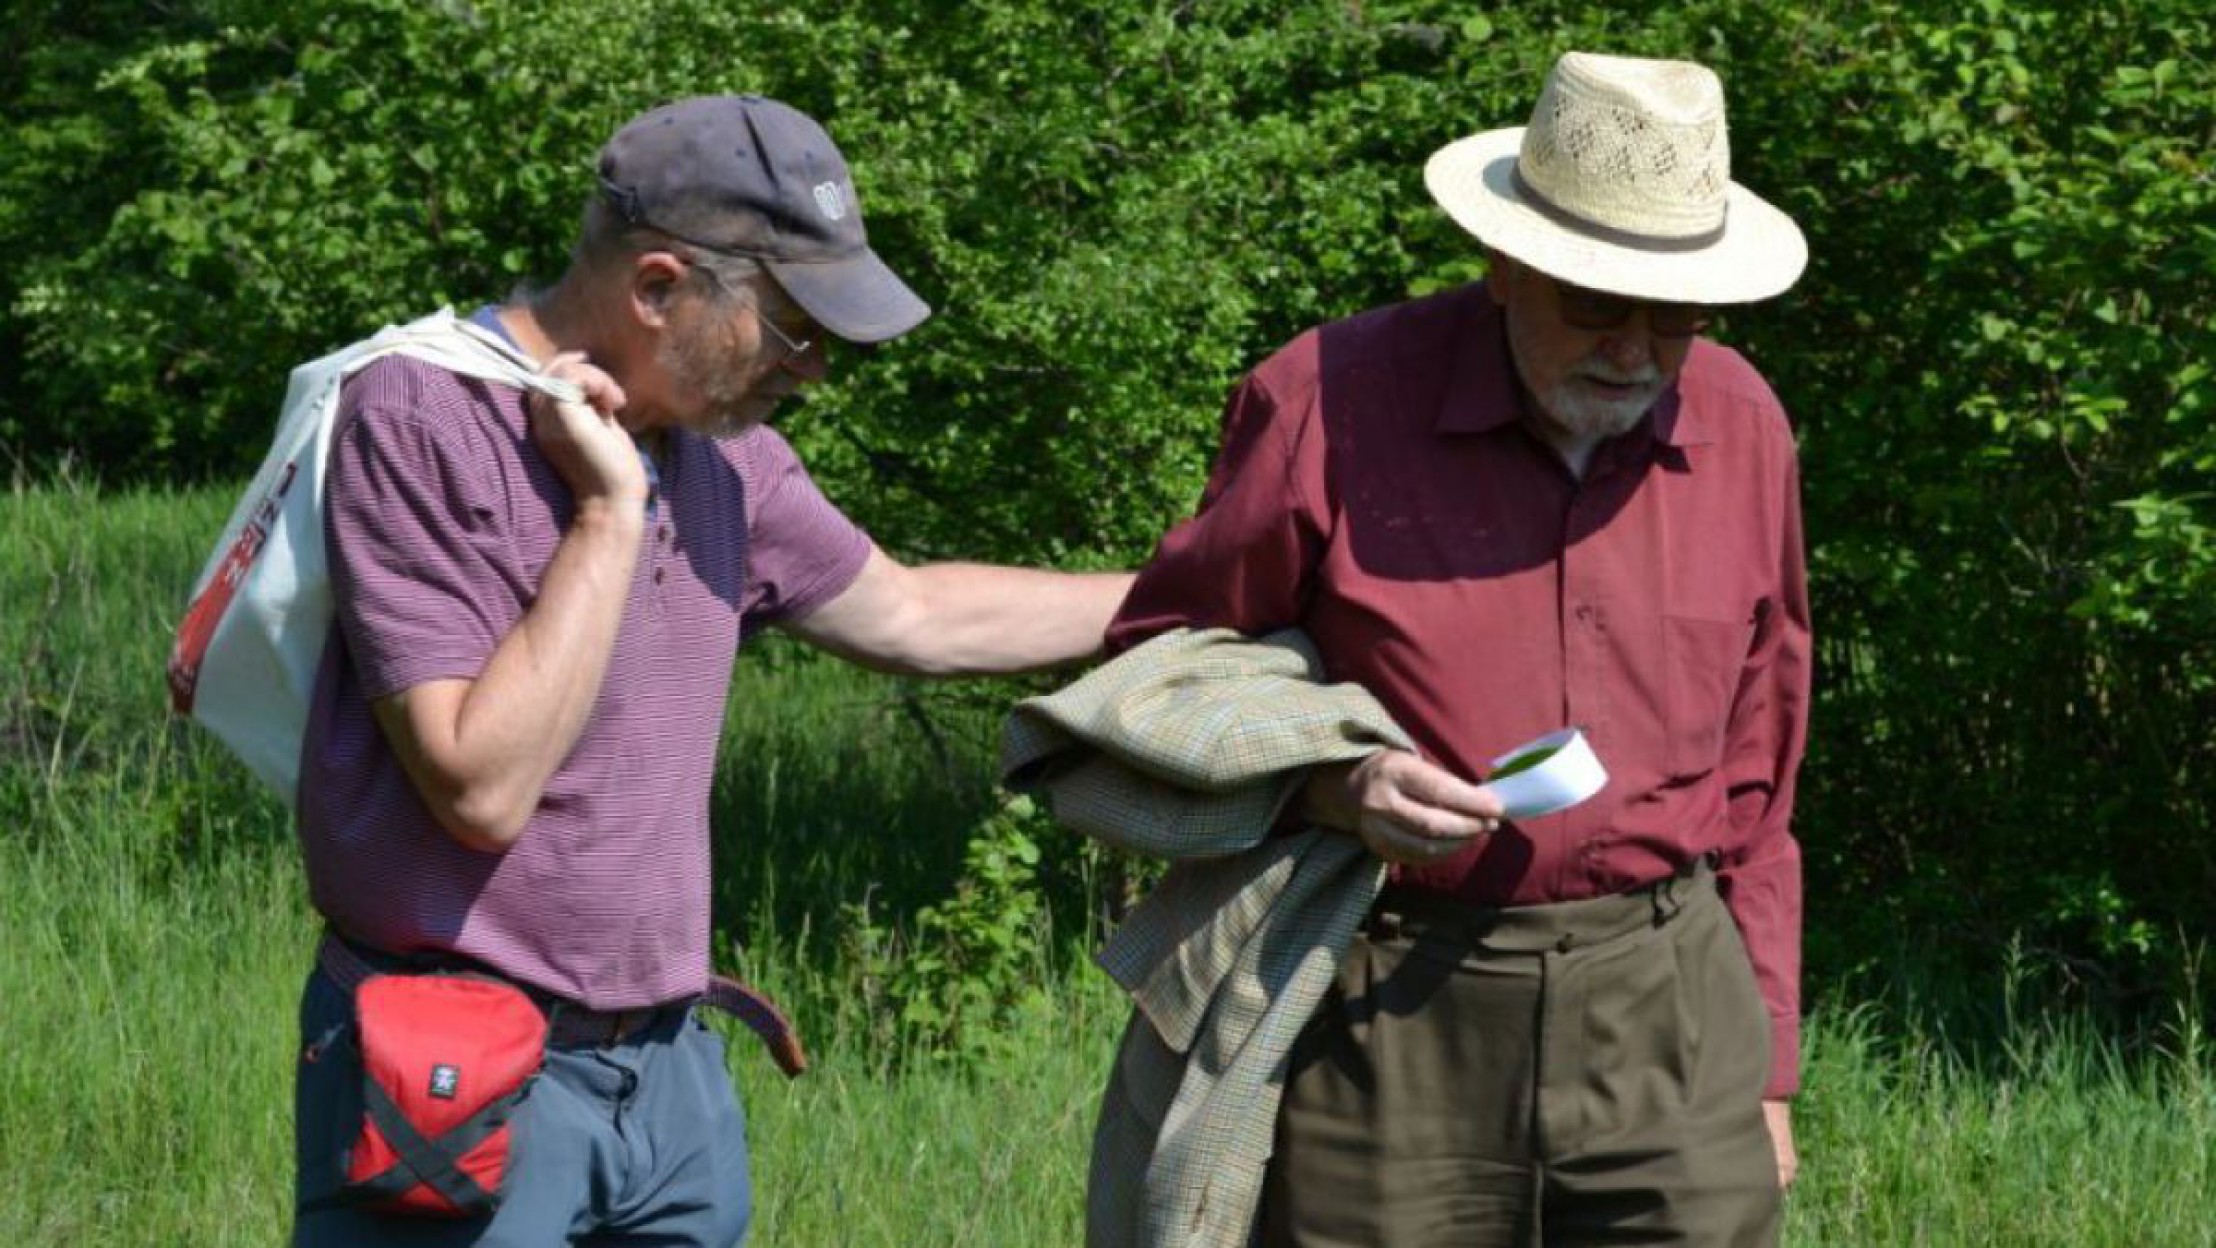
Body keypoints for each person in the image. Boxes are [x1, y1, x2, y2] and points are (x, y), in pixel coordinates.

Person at [288, 95, 1132, 1246]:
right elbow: (477, 789)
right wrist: (606, 517)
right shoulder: (423, 416)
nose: (817, 370)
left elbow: (916, 614)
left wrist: (1200, 601)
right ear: (657, 288)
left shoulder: (728, 461)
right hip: (458, 1070)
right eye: (791, 329)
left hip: (669, 1078)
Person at [1099, 51, 1811, 1245]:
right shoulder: (1328, 399)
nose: (1635, 352)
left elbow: (1761, 777)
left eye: (1676, 315)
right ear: (1504, 264)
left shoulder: (1740, 429)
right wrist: (1334, 785)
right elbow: (1167, 670)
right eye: (1593, 306)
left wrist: (1770, 1069)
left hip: (1671, 1009)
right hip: (1386, 1002)